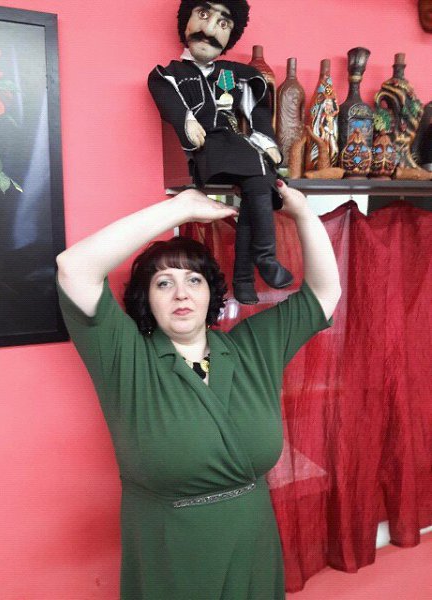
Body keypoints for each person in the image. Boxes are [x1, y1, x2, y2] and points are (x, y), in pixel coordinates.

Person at [56, 180, 341, 600]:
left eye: (194, 280)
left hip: (252, 542)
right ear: (146, 298)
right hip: (171, 552)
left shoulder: (253, 348)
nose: (181, 294)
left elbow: (324, 293)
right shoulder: (125, 359)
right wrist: (181, 209)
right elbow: (74, 267)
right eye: (163, 283)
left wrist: (300, 212)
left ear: (212, 293)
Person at [148, 0, 293, 305]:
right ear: (186, 19)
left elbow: (257, 111)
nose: (210, 29)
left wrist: (267, 141)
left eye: (223, 24)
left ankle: (247, 278)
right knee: (260, 177)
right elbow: (168, 100)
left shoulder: (234, 75)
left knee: (257, 187)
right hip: (208, 147)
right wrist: (186, 120)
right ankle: (262, 261)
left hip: (235, 143)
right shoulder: (170, 73)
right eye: (203, 15)